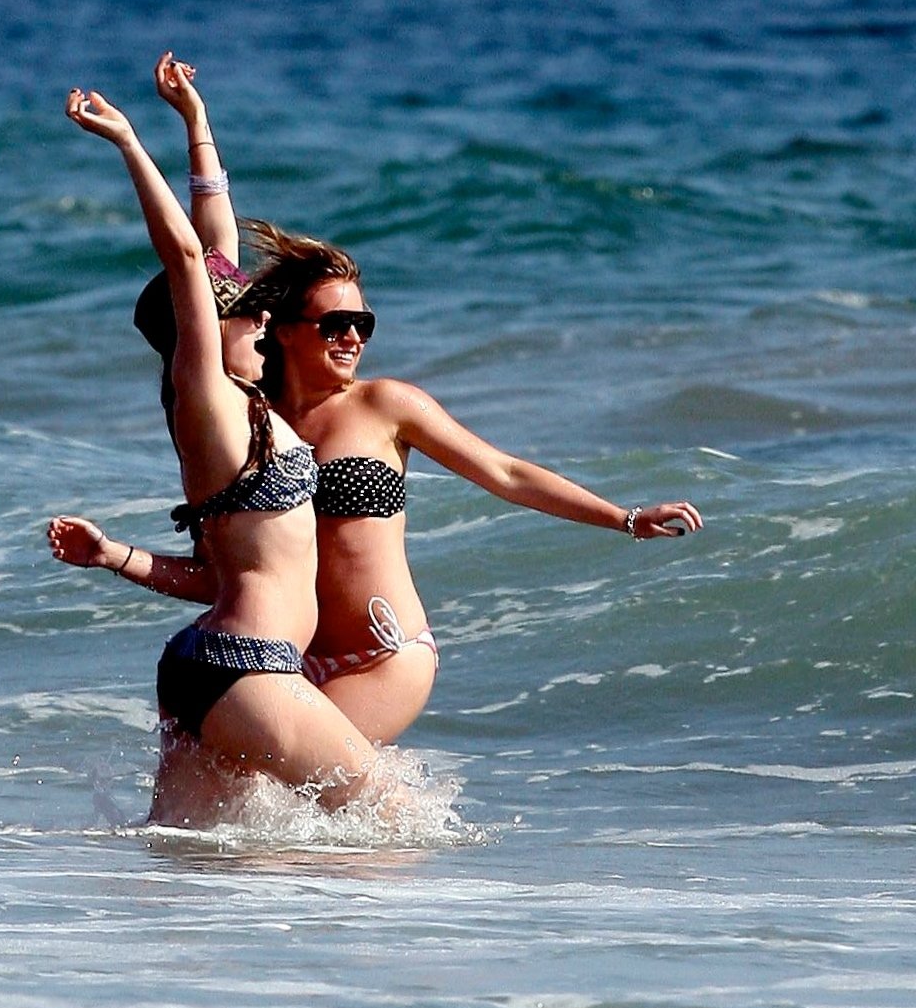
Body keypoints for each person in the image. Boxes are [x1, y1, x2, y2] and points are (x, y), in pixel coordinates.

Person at [50, 55, 703, 748]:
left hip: (383, 654)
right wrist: (116, 556)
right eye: (335, 324)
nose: (353, 337)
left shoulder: (385, 405)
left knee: (333, 798)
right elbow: (209, 267)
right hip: (284, 663)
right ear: (282, 328)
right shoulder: (254, 421)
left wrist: (622, 517)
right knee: (270, 810)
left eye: (363, 323)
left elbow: (506, 474)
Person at [56, 71, 394, 825]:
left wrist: (196, 122)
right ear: (201, 332)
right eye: (245, 314)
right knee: (394, 819)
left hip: (213, 666)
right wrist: (128, 142)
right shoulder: (207, 398)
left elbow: (214, 246)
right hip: (245, 670)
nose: (264, 320)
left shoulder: (247, 409)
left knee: (192, 866)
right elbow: (187, 258)